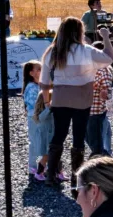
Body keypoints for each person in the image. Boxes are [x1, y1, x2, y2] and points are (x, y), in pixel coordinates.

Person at [45, 18, 109, 175]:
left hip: (60, 98)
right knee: (78, 137)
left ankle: (51, 174)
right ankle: (76, 176)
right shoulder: (86, 50)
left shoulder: (53, 51)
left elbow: (45, 80)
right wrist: (106, 37)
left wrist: (47, 101)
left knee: (58, 135)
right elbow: (109, 58)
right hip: (82, 99)